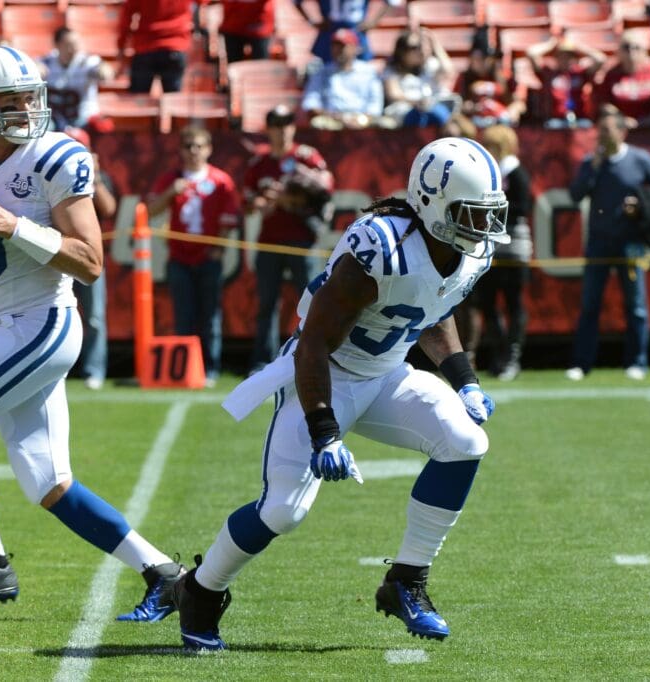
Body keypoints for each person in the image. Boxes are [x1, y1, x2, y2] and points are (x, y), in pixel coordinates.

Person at [169, 137, 507, 651]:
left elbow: (433, 309)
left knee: (465, 443)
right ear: (435, 204)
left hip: (389, 372)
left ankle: (406, 582)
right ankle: (200, 589)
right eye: (472, 214)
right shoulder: (381, 249)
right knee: (284, 511)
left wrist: (465, 380)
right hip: (327, 373)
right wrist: (325, 434)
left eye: (489, 214)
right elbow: (313, 344)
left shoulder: (464, 254)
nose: (483, 228)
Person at [0, 46, 185, 619]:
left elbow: (90, 263)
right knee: (48, 483)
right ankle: (164, 573)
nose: (24, 112)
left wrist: (15, 226)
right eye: (8, 102)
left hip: (42, 321)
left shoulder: (55, 156)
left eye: (30, 99)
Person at [566, 109, 650, 382]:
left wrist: (640, 204)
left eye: (606, 129)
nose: (601, 135)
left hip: (631, 243)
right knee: (590, 304)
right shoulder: (592, 162)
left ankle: (637, 361)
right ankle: (582, 363)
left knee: (636, 306)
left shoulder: (639, 159)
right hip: (599, 243)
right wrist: (594, 168)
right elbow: (576, 195)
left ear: (622, 132)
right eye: (599, 130)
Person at [148, 126, 242, 386]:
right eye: (188, 146)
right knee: (183, 315)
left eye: (199, 146)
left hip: (208, 257)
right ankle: (184, 368)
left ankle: (210, 368)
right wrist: (171, 193)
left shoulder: (221, 180)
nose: (193, 151)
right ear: (180, 150)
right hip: (178, 256)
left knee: (210, 316)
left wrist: (218, 249)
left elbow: (228, 217)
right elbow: (149, 211)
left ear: (209, 149)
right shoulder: (172, 178)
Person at [244, 104, 333, 373]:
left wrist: (292, 194)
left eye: (286, 124)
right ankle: (265, 362)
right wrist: (263, 202)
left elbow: (327, 186)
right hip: (270, 239)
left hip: (302, 239)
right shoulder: (259, 163)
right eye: (276, 125)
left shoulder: (307, 157)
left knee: (312, 301)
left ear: (293, 127)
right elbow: (247, 202)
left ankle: (319, 357)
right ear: (268, 129)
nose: (281, 130)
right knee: (267, 303)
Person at [475, 125, 533, 381]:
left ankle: (512, 357)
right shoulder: (488, 174)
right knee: (487, 302)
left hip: (514, 246)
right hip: (489, 246)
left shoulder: (515, 172)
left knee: (513, 302)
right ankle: (499, 354)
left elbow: (523, 206)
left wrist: (495, 213)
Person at [66, 126, 116, 390]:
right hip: (58, 254)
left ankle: (93, 369)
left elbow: (109, 208)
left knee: (94, 316)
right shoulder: (51, 175)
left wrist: (93, 177)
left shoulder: (98, 177)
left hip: (87, 256)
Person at [301, 29, 384, 130]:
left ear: (354, 48)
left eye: (342, 46)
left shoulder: (368, 72)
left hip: (363, 119)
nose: (338, 50)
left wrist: (362, 119)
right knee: (318, 123)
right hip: (332, 119)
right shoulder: (321, 72)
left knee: (385, 123)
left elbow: (375, 104)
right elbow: (311, 103)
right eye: (335, 46)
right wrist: (337, 117)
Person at [40, 27, 114, 132]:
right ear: (57, 45)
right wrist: (37, 70)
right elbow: (36, 67)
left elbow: (103, 69)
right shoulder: (47, 62)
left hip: (83, 118)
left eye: (76, 43)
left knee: (102, 126)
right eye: (69, 44)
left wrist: (104, 71)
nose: (74, 48)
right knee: (42, 127)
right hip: (55, 120)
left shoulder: (86, 62)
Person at [525, 36, 606, 127]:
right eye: (562, 56)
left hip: (580, 120)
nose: (566, 59)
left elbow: (601, 59)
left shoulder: (580, 73)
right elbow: (531, 53)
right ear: (556, 57)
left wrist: (580, 47)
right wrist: (550, 45)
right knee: (552, 126)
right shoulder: (549, 73)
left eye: (569, 56)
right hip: (555, 121)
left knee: (587, 127)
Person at [382, 28, 456, 128]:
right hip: (404, 112)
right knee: (427, 114)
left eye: (420, 46)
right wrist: (416, 103)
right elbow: (394, 94)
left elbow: (448, 71)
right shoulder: (391, 70)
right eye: (414, 47)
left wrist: (434, 44)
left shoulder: (429, 65)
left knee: (442, 114)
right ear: (402, 51)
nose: (419, 51)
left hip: (432, 110)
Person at [593, 32, 650, 128]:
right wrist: (622, 120)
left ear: (644, 51)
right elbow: (605, 103)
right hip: (620, 126)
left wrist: (649, 120)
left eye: (636, 47)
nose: (632, 52)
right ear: (619, 51)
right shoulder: (612, 73)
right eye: (626, 47)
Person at [118, 0, 192, 94]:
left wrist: (121, 45)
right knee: (172, 102)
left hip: (146, 48)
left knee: (138, 101)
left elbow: (127, 14)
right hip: (174, 47)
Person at [293, 0, 392, 64]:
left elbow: (392, 2)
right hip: (330, 32)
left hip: (356, 30)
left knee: (360, 67)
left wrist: (374, 21)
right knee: (327, 69)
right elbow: (296, 2)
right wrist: (312, 21)